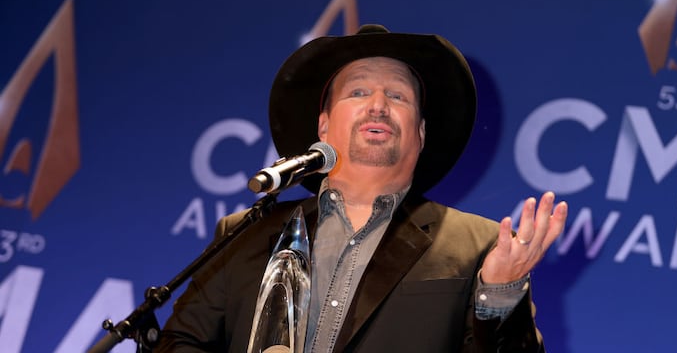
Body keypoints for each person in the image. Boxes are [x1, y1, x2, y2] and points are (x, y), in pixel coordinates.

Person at [155, 24, 568, 352]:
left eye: (397, 96)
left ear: (421, 133)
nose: (378, 105)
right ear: (323, 126)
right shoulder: (244, 234)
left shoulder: (477, 246)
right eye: (358, 92)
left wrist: (499, 293)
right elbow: (179, 343)